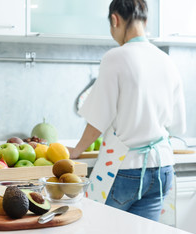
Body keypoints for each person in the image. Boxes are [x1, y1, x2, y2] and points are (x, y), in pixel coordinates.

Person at [68, 0, 186, 221]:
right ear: (146, 20)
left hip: (125, 170)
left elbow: (98, 119)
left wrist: (74, 152)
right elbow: (178, 125)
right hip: (162, 168)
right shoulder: (167, 61)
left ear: (115, 19)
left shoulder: (116, 57)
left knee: (97, 229)